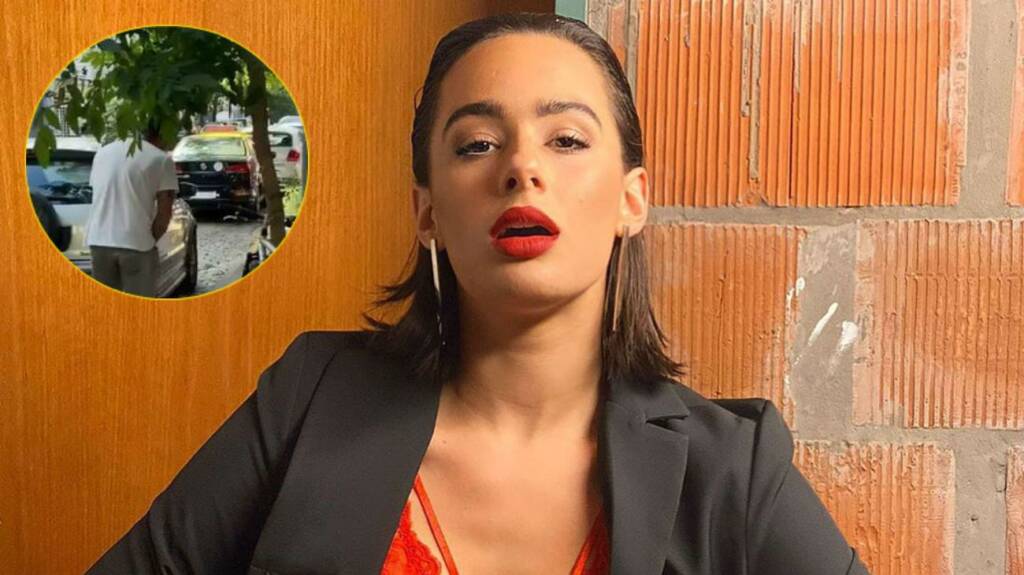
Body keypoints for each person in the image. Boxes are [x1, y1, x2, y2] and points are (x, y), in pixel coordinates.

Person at [87, 13, 869, 575]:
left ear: (631, 199)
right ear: (427, 210)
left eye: (566, 139)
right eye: (478, 144)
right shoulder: (311, 398)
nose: (522, 167)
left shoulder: (733, 467)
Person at [85, 118, 177, 297]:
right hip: (136, 243)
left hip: (98, 241)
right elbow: (165, 212)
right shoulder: (161, 159)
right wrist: (150, 239)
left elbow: (99, 194)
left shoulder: (103, 153)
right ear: (163, 133)